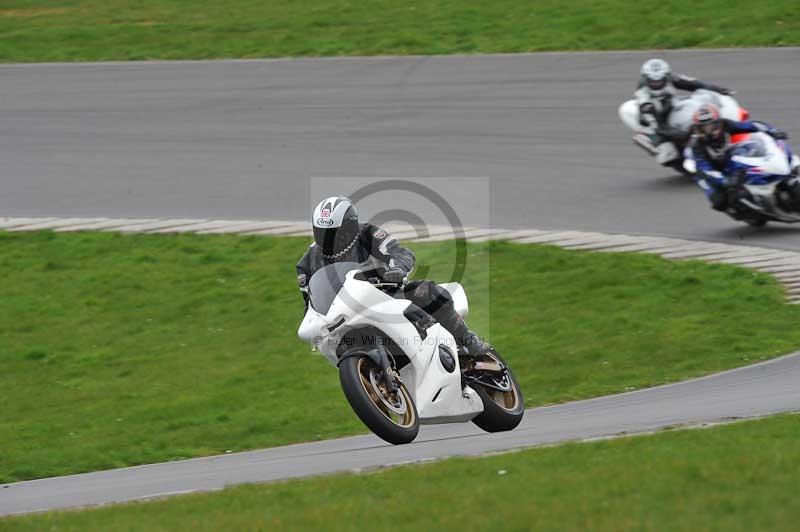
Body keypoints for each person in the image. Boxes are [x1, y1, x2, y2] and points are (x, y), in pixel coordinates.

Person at [297, 196, 491, 357]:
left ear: (350, 227)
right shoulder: (307, 263)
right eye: (322, 233)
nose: (328, 240)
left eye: (333, 233)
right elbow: (311, 305)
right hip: (347, 314)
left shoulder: (367, 234)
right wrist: (314, 327)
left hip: (386, 294)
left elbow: (400, 252)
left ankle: (466, 338)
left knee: (427, 291)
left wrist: (398, 268)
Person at [688, 104, 792, 211]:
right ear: (697, 129)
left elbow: (752, 126)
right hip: (713, 171)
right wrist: (724, 181)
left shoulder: (726, 125)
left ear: (718, 123)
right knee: (719, 202)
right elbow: (705, 169)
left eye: (711, 126)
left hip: (728, 160)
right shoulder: (697, 145)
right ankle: (744, 212)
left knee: (748, 164)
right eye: (704, 128)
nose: (708, 130)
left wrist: (772, 131)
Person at [634, 58, 735, 163]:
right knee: (668, 155)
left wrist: (718, 89)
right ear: (646, 79)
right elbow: (645, 106)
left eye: (660, 80)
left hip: (673, 106)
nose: (657, 83)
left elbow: (694, 83)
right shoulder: (642, 91)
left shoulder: (672, 78)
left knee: (702, 100)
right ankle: (658, 144)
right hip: (655, 118)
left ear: (666, 76)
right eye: (653, 81)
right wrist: (646, 108)